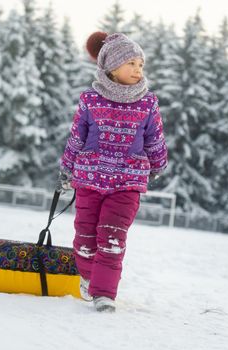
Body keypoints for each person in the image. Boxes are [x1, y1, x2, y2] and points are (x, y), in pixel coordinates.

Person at [58, 31, 168, 312]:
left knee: (111, 236)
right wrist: (66, 167)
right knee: (85, 237)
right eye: (131, 63)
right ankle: (88, 276)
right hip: (89, 178)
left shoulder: (147, 103)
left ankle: (104, 294)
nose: (137, 69)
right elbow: (77, 137)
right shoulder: (90, 100)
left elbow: (155, 137)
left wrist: (157, 164)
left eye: (140, 64)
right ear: (111, 67)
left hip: (127, 182)